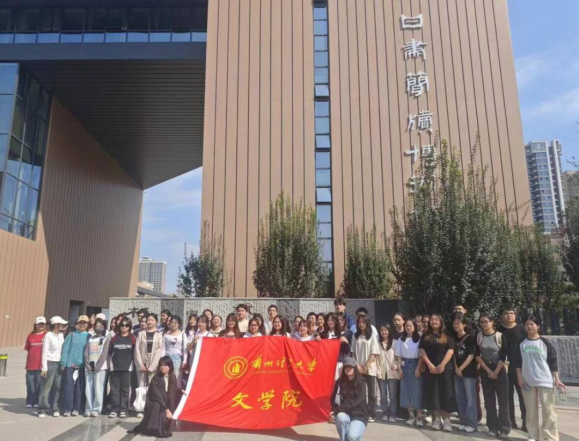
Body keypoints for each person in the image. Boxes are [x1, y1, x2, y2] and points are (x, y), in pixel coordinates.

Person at [514, 316, 566, 441]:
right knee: (530, 410)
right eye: (527, 324)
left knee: (549, 410)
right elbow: (517, 362)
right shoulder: (521, 343)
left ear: (538, 326)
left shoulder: (545, 342)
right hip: (527, 381)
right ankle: (532, 435)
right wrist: (520, 378)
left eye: (532, 324)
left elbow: (553, 361)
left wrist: (557, 379)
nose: (529, 326)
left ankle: (550, 436)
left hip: (545, 380)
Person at [419, 313, 456, 432]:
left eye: (436, 320)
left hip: (446, 370)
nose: (434, 321)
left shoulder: (447, 334)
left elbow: (450, 350)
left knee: (447, 393)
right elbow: (422, 351)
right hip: (431, 370)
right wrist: (430, 365)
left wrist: (442, 364)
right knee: (434, 394)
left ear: (440, 322)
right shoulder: (426, 335)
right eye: (432, 319)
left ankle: (447, 421)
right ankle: (437, 419)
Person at [475, 313, 510, 438]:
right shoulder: (479, 337)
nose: (483, 324)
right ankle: (492, 427)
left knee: (503, 400)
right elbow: (477, 355)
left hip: (499, 369)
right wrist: (488, 371)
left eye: (486, 321)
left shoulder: (500, 336)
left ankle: (504, 428)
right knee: (489, 400)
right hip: (485, 369)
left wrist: (495, 371)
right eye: (481, 322)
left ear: (492, 322)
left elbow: (503, 355)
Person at [128, 356, 178, 438]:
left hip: (167, 406)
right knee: (158, 410)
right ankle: (151, 428)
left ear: (170, 366)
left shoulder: (173, 377)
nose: (163, 367)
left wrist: (180, 390)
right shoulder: (156, 378)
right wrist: (166, 410)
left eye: (165, 365)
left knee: (163, 419)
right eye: (161, 365)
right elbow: (157, 396)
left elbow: (173, 391)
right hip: (157, 404)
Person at [497, 307, 527, 431]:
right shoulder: (498, 331)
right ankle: (510, 421)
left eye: (511, 313)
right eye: (506, 313)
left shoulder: (522, 329)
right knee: (506, 396)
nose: (509, 315)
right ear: (501, 316)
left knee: (523, 396)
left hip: (520, 368)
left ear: (515, 316)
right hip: (503, 367)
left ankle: (526, 422)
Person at [329, 357, 369, 441]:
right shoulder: (340, 382)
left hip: (359, 416)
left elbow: (353, 401)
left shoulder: (362, 383)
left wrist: (337, 411)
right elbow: (333, 398)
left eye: (350, 366)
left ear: (355, 368)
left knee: (352, 436)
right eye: (346, 367)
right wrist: (333, 411)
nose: (348, 369)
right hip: (345, 413)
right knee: (340, 417)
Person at [38, 316, 68, 418]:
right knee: (46, 387)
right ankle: (42, 408)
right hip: (50, 363)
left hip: (59, 364)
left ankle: (55, 408)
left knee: (57, 386)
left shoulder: (61, 335)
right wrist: (44, 367)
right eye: (61, 324)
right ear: (56, 325)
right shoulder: (48, 336)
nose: (63, 326)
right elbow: (44, 352)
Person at [352, 315, 380, 423]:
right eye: (359, 322)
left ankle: (371, 413)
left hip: (370, 368)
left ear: (367, 323)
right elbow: (353, 352)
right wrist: (357, 365)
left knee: (372, 393)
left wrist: (366, 366)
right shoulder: (355, 336)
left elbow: (374, 353)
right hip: (359, 368)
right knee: (360, 392)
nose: (361, 324)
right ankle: (362, 412)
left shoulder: (372, 337)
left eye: (363, 322)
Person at [395, 319, 423, 426]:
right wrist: (399, 368)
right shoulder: (400, 340)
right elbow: (398, 355)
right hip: (405, 364)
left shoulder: (419, 339)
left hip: (416, 364)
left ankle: (419, 416)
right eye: (406, 325)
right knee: (406, 390)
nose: (408, 327)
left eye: (410, 325)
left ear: (414, 327)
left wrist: (418, 368)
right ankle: (411, 416)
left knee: (417, 390)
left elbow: (421, 355)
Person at [60, 315, 89, 417]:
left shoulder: (89, 336)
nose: (82, 325)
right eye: (80, 323)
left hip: (82, 366)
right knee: (69, 387)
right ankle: (67, 408)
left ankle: (76, 408)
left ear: (87, 325)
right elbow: (65, 349)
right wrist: (63, 363)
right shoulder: (71, 335)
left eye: (84, 323)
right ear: (77, 324)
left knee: (79, 388)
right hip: (70, 365)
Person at [453, 315, 477, 433]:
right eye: (454, 323)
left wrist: (461, 368)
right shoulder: (454, 338)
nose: (456, 325)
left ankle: (472, 424)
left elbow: (471, 355)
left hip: (468, 372)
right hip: (457, 372)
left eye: (458, 323)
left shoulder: (470, 338)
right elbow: (453, 355)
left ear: (464, 325)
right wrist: (456, 368)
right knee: (460, 397)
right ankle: (463, 421)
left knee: (470, 398)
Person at [135, 313, 164, 414]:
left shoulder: (159, 334)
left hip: (154, 365)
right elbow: (137, 349)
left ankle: (152, 408)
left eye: (152, 320)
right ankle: (140, 408)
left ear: (156, 322)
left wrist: (152, 366)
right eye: (148, 320)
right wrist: (140, 364)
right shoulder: (141, 334)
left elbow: (159, 350)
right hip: (142, 363)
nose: (149, 322)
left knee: (153, 387)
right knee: (141, 386)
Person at [108, 318, 136, 418]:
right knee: (114, 389)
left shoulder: (132, 338)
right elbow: (109, 352)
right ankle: (114, 409)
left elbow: (134, 353)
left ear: (129, 327)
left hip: (127, 367)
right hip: (115, 367)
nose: (124, 327)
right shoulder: (114, 338)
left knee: (125, 390)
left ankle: (123, 409)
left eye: (126, 325)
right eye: (122, 325)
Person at [84, 318, 110, 417]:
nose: (99, 328)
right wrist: (88, 365)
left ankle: (96, 409)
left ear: (104, 328)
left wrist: (97, 367)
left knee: (98, 389)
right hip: (89, 368)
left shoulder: (105, 339)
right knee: (88, 389)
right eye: (97, 326)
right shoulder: (90, 338)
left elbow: (104, 354)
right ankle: (88, 408)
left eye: (101, 326)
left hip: (100, 368)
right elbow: (86, 352)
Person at [377, 323, 399, 423]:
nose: (384, 332)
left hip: (392, 372)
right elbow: (376, 358)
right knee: (383, 395)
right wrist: (377, 370)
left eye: (386, 330)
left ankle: (393, 413)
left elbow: (398, 357)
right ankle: (385, 412)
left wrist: (396, 365)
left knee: (393, 395)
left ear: (389, 331)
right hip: (381, 371)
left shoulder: (395, 343)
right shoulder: (378, 343)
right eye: (382, 330)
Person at [24, 316, 47, 409]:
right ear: (35, 325)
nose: (41, 326)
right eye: (39, 324)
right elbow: (28, 348)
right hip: (30, 365)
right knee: (30, 384)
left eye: (43, 324)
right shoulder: (30, 335)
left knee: (39, 384)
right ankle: (30, 401)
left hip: (41, 365)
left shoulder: (47, 335)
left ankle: (37, 401)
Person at [162, 316, 186, 384]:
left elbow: (185, 349)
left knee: (176, 378)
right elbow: (163, 348)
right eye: (172, 322)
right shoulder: (166, 335)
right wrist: (162, 359)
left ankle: (176, 390)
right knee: (166, 377)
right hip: (167, 357)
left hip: (177, 358)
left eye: (175, 323)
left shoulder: (182, 334)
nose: (173, 324)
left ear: (179, 324)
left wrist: (184, 361)